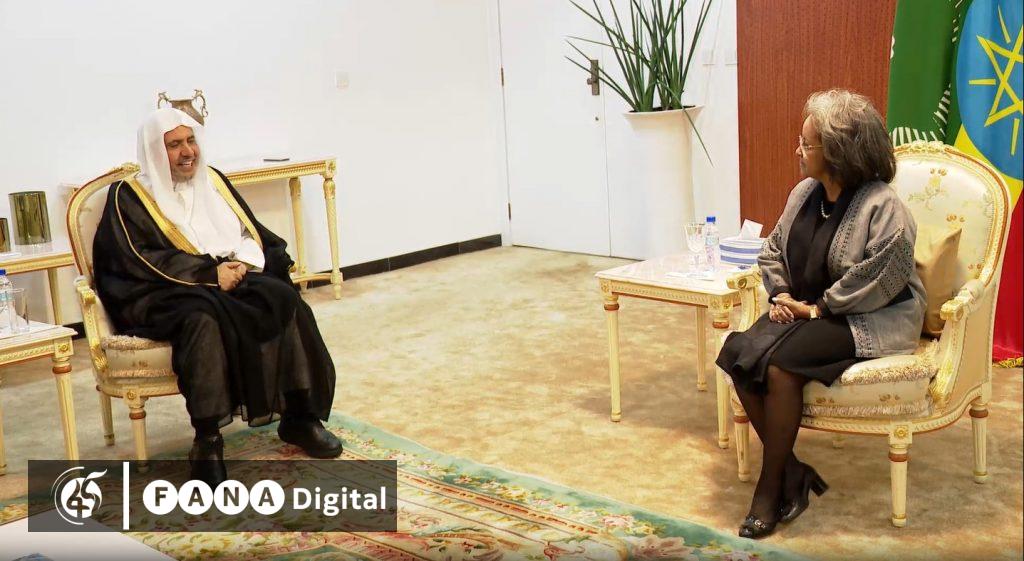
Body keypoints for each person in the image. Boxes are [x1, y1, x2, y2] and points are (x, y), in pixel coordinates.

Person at [93, 108, 343, 485]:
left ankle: (299, 417)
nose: (187, 152)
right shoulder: (128, 195)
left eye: (190, 141)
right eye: (174, 145)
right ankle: (207, 439)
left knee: (281, 297)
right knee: (202, 319)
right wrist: (209, 275)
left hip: (229, 273)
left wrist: (241, 263)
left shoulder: (213, 180)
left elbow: (248, 232)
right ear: (155, 150)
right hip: (164, 290)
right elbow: (139, 257)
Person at [716, 89, 926, 539]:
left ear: (837, 152)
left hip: (870, 316)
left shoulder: (883, 206)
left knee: (780, 365)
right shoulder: (804, 193)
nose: (798, 150)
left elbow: (880, 278)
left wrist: (817, 309)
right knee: (737, 353)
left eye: (806, 143)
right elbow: (772, 250)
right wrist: (782, 295)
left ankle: (770, 489)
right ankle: (794, 473)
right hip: (806, 310)